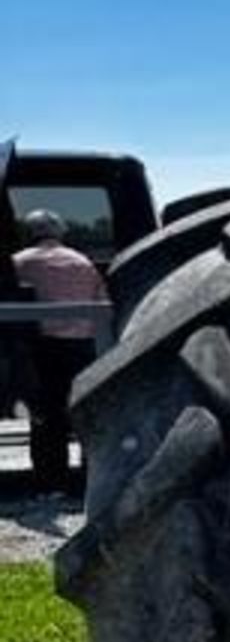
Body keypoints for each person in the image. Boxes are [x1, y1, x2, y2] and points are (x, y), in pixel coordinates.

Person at [12, 209, 109, 494]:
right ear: (61, 232)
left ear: (30, 233)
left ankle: (51, 482)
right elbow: (102, 302)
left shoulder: (19, 262)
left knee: (46, 415)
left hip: (42, 350)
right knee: (86, 412)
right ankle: (89, 480)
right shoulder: (82, 262)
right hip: (84, 348)